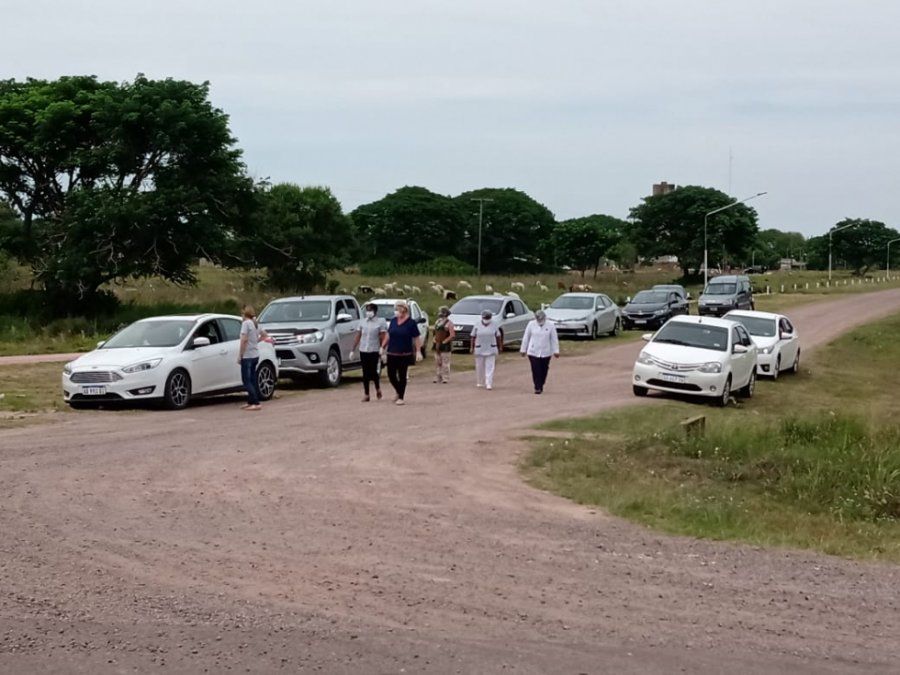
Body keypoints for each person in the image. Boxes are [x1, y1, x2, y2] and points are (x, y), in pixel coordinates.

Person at [385, 301, 423, 405]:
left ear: (403, 309)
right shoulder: (393, 321)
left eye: (397, 309)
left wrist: (418, 351)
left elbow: (416, 337)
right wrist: (382, 346)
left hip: (404, 353)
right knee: (391, 375)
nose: (396, 311)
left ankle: (401, 397)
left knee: (402, 375)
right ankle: (398, 390)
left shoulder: (411, 323)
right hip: (391, 352)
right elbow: (388, 335)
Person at [351, 302, 388, 402]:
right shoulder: (362, 322)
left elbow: (383, 336)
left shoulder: (380, 322)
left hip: (374, 350)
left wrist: (383, 349)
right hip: (363, 349)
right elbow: (358, 335)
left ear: (375, 311)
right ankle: (366, 393)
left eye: (370, 310)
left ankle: (377, 388)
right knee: (365, 372)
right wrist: (352, 349)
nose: (368, 312)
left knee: (373, 371)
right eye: (367, 310)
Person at [520, 309, 560, 394]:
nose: (540, 321)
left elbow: (554, 339)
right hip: (533, 351)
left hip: (546, 352)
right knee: (536, 369)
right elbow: (526, 337)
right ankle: (537, 387)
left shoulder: (551, 325)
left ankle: (541, 383)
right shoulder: (531, 324)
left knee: (544, 369)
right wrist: (523, 349)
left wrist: (556, 351)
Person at [238, 305, 269, 411]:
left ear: (245, 314)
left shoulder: (246, 324)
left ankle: (256, 402)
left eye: (242, 314)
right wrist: (256, 341)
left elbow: (244, 340)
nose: (241, 316)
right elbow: (265, 335)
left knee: (246, 380)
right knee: (252, 379)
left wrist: (240, 355)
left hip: (247, 356)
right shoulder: (255, 324)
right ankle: (250, 401)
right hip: (255, 354)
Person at [470, 309, 502, 390]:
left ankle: (489, 383)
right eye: (485, 318)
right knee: (479, 366)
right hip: (479, 348)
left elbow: (498, 336)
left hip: (491, 348)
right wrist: (471, 347)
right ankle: (480, 381)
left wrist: (500, 347)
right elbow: (473, 336)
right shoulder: (477, 324)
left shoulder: (495, 324)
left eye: (488, 318)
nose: (487, 320)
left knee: (490, 366)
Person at [432, 305, 456, 383]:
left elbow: (452, 335)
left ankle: (445, 377)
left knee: (445, 362)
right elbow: (434, 332)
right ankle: (438, 377)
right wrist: (434, 339)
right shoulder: (437, 322)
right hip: (437, 343)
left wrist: (445, 341)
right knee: (437, 362)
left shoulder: (449, 323)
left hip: (445, 345)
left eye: (441, 312)